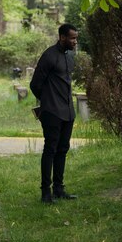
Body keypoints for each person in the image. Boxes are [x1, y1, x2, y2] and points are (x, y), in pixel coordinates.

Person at [30, 23, 78, 204]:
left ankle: (59, 188)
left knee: (62, 149)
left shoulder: (69, 56)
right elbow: (35, 84)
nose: (75, 41)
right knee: (50, 149)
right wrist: (48, 102)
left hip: (68, 112)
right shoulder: (49, 56)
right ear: (62, 37)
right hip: (52, 112)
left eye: (76, 38)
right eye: (72, 38)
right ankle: (45, 192)